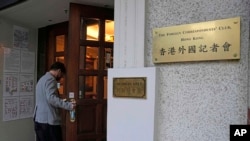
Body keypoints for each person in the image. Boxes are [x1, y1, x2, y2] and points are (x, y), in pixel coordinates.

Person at [33, 62, 75, 141]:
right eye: (61, 75)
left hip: (39, 119)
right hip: (49, 121)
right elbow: (51, 98)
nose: (61, 78)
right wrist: (69, 105)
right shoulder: (51, 80)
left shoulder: (42, 79)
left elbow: (45, 98)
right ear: (59, 71)